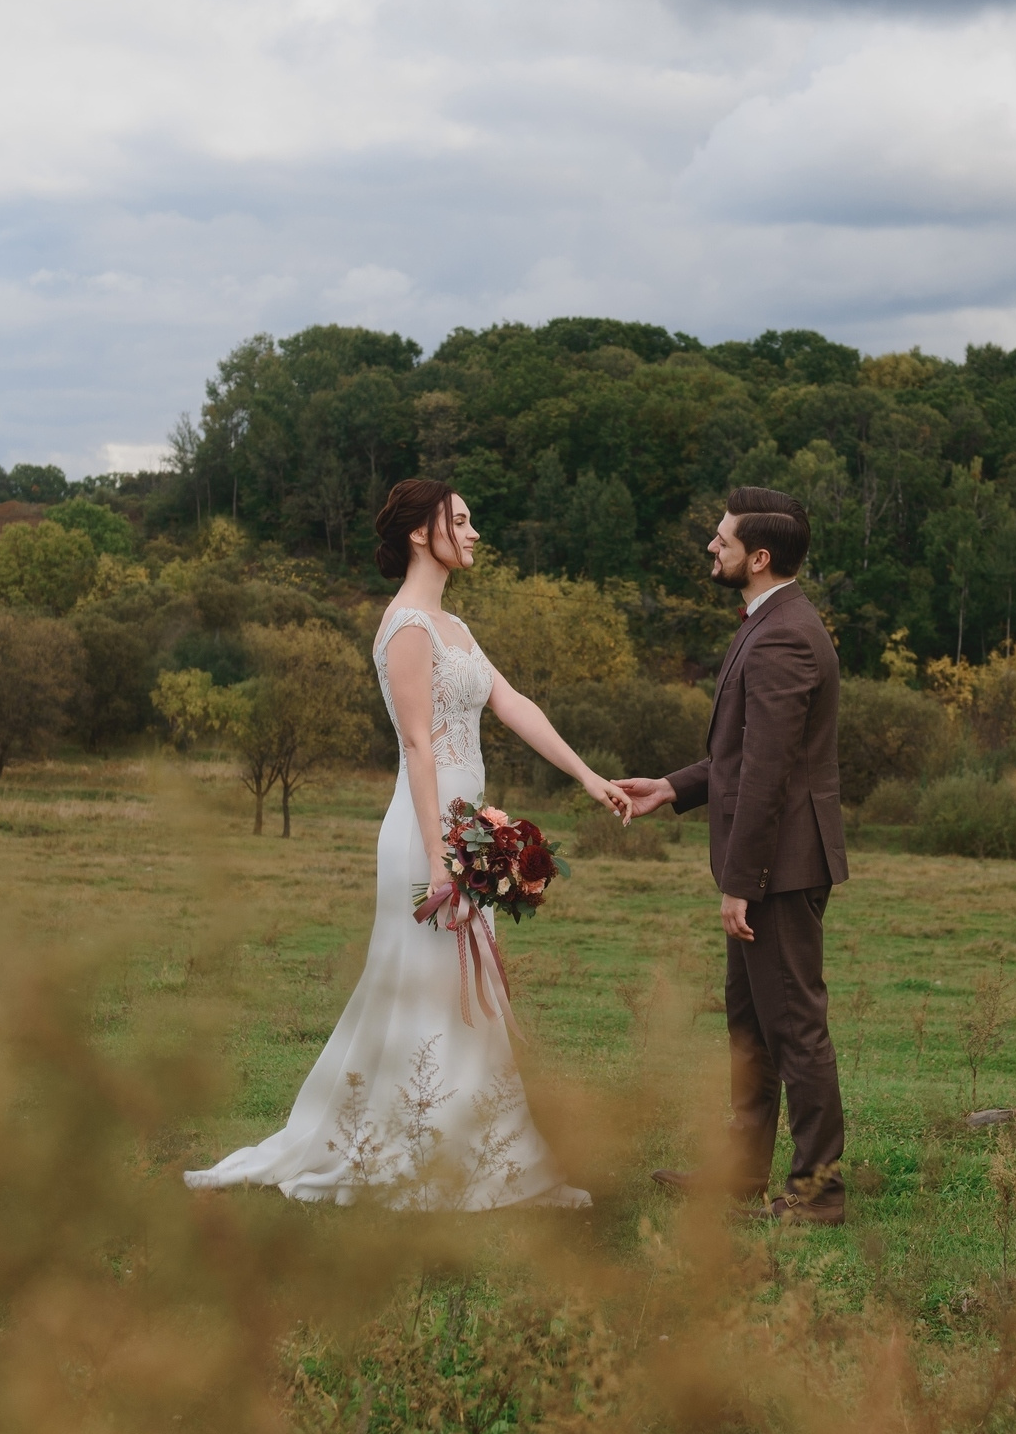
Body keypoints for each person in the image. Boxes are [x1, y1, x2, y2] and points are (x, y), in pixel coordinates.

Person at [185, 479, 624, 1210]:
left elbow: (511, 703)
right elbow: (420, 746)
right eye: (462, 519)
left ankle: (487, 1155)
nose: (475, 531)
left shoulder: (454, 627)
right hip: (427, 833)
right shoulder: (408, 628)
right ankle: (416, 1152)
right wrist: (441, 857)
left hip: (465, 828)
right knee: (426, 991)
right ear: (424, 533)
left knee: (462, 995)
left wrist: (587, 774)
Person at [617, 487, 850, 1225]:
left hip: (779, 868)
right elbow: (742, 751)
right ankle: (742, 1172)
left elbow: (769, 771)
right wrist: (672, 788)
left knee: (795, 1028)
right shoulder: (769, 619)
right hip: (767, 864)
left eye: (720, 541)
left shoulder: (783, 635)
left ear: (759, 557)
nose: (709, 549)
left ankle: (818, 1195)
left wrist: (741, 883)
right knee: (751, 1027)